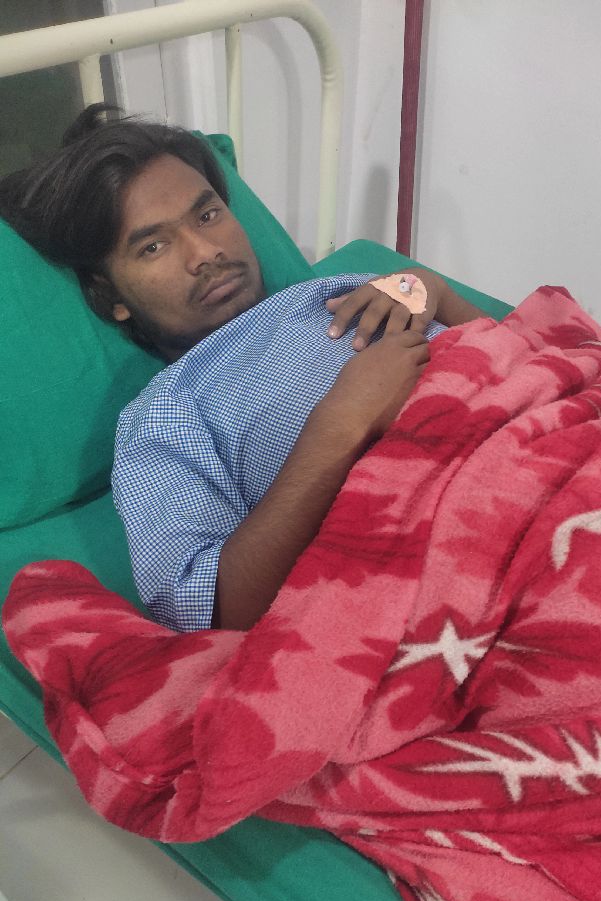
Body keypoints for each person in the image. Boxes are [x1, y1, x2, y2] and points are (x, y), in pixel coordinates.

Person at [0, 106, 486, 631]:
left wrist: (434, 291)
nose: (205, 252)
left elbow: (530, 356)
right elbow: (213, 610)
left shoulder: (336, 291)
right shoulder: (163, 417)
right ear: (111, 296)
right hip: (452, 551)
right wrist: (342, 425)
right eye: (153, 246)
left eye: (207, 216)